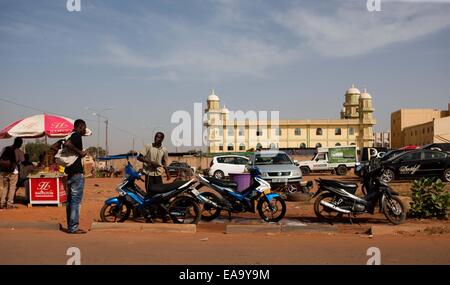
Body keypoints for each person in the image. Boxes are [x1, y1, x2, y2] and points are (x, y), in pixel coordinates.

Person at [63, 119, 88, 234]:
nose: (85, 130)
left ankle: (70, 226)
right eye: (84, 128)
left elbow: (60, 145)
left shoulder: (68, 135)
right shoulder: (76, 136)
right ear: (80, 127)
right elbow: (68, 145)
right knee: (76, 201)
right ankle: (73, 227)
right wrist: (81, 152)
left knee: (70, 201)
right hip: (77, 173)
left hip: (69, 172)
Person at [0, 137, 24, 209]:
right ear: (20, 144)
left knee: (5, 187)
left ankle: (2, 203)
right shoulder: (19, 151)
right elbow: (22, 160)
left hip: (3, 170)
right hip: (13, 171)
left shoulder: (5, 148)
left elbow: (1, 157)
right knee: (12, 187)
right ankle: (9, 204)